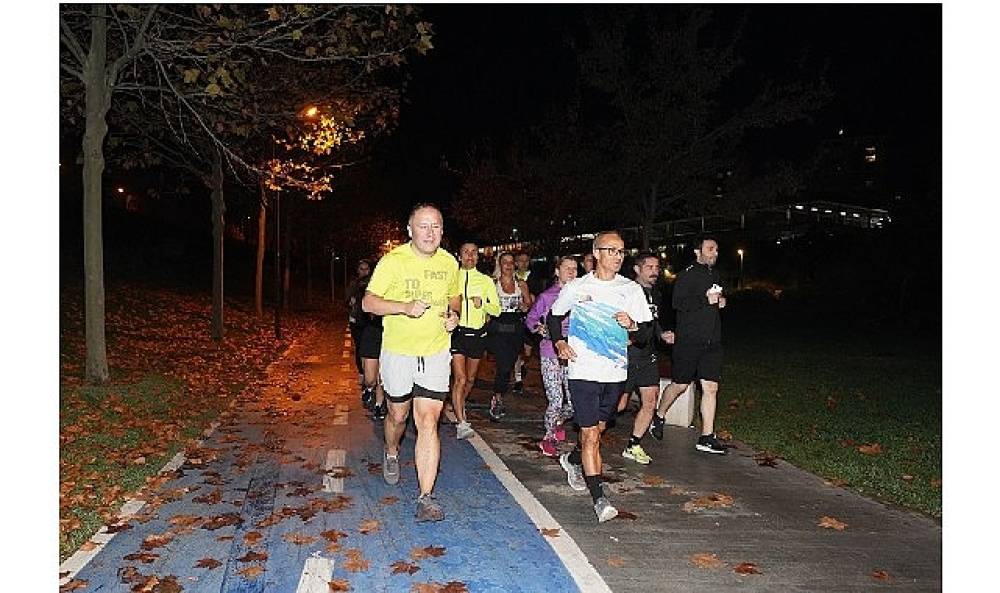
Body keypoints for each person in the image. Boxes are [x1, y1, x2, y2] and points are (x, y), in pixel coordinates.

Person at [362, 203, 461, 522]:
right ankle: (391, 450)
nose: (430, 233)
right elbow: (368, 303)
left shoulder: (449, 262)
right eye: (423, 226)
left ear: (442, 230)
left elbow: (454, 296)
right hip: (399, 352)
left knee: (428, 420)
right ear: (410, 230)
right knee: (398, 415)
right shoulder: (393, 262)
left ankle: (426, 497)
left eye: (436, 226)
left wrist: (454, 314)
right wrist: (404, 307)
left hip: (435, 351)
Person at [547, 231, 653, 522]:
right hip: (582, 371)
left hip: (615, 372)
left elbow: (647, 333)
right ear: (596, 253)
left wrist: (632, 325)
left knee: (599, 427)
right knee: (591, 434)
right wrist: (559, 342)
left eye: (621, 251)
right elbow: (553, 317)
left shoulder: (630, 289)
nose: (618, 256)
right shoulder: (578, 287)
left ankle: (572, 458)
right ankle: (600, 499)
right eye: (611, 250)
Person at [648, 235, 728, 454]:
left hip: (712, 341)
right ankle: (659, 415)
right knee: (680, 385)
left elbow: (716, 300)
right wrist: (705, 300)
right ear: (697, 251)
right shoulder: (687, 275)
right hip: (689, 341)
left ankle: (707, 437)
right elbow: (678, 303)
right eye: (710, 249)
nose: (715, 253)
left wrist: (721, 301)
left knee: (711, 388)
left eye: (716, 249)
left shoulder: (715, 275)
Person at [618, 252, 674, 465]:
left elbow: (653, 322)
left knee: (650, 401)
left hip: (648, 355)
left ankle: (633, 445)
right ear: (637, 269)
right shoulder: (626, 292)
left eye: (657, 267)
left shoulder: (655, 294)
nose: (655, 271)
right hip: (628, 355)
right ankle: (589, 432)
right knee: (619, 405)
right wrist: (623, 337)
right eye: (649, 267)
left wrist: (662, 334)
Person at [525, 255, 577, 458]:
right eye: (567, 268)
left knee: (574, 403)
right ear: (557, 271)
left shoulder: (581, 296)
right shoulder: (547, 296)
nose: (571, 272)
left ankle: (557, 422)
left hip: (574, 354)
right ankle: (548, 438)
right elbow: (530, 319)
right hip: (550, 352)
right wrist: (540, 328)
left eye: (575, 269)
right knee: (556, 399)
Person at [450, 242, 501, 439]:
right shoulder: (452, 278)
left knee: (470, 380)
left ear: (478, 257)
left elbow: (496, 310)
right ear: (460, 256)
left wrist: (483, 304)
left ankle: (459, 405)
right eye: (466, 252)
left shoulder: (486, 281)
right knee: (460, 378)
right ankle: (461, 422)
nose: (470, 256)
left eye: (473, 252)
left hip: (477, 335)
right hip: (457, 334)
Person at [488, 252, 532, 421]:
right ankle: (497, 398)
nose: (508, 265)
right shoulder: (493, 284)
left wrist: (524, 306)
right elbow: (486, 306)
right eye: (505, 262)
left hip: (515, 330)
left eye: (511, 262)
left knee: (509, 365)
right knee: (504, 366)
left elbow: (528, 304)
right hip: (498, 330)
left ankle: (498, 394)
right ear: (499, 265)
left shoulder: (521, 284)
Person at [512, 251, 537, 394]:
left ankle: (523, 364)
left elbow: (539, 297)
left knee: (528, 351)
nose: (523, 263)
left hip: (530, 318)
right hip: (515, 319)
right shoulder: (510, 276)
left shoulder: (534, 277)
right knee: (517, 350)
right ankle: (518, 380)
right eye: (521, 260)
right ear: (516, 262)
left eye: (526, 260)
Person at [346, 259, 372, 388]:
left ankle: (370, 375)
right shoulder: (354, 284)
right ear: (358, 270)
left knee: (370, 348)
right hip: (357, 321)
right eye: (362, 269)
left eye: (366, 269)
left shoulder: (373, 283)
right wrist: (352, 302)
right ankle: (362, 372)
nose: (364, 272)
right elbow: (347, 300)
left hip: (370, 321)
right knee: (360, 347)